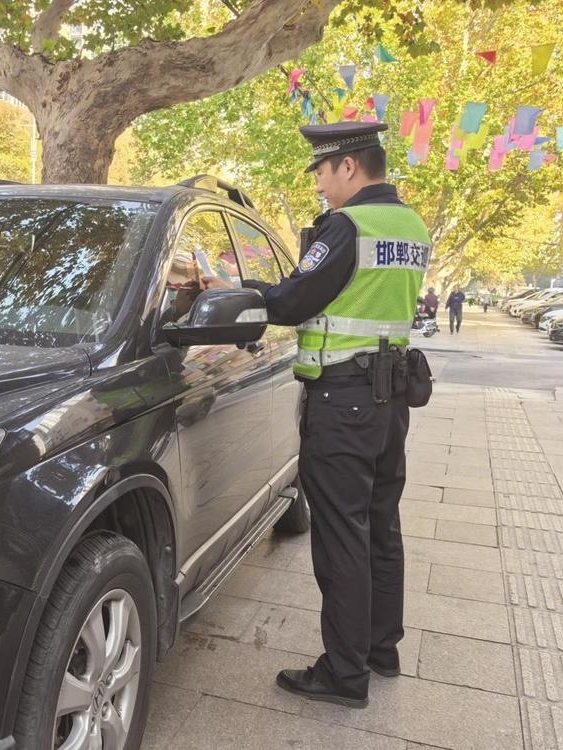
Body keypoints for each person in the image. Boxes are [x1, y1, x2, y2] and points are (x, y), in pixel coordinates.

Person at [204, 121, 431, 709]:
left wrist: (233, 286)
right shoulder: (411, 226)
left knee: (341, 537)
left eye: (323, 174)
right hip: (390, 402)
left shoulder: (348, 226)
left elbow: (292, 300)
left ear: (348, 166)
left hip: (344, 401)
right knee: (380, 527)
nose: (320, 187)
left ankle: (343, 674)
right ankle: (380, 651)